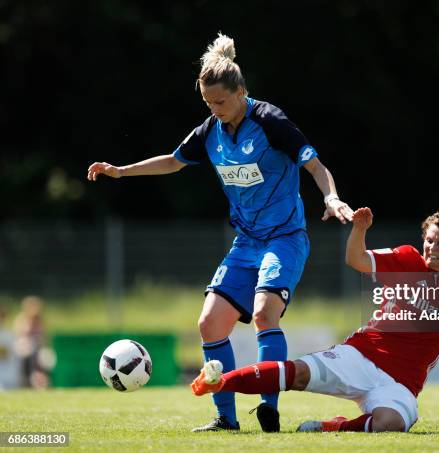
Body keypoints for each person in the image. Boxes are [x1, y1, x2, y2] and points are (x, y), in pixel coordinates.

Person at [87, 33, 353, 432]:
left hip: (284, 238)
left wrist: (331, 199)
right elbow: (174, 162)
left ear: (241, 92)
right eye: (208, 103)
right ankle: (225, 418)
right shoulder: (210, 131)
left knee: (265, 313)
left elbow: (314, 165)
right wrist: (122, 171)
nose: (215, 109)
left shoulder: (270, 121)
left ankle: (269, 407)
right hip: (245, 243)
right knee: (209, 324)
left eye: (221, 102)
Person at [190, 207, 439, 433]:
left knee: (391, 423)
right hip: (360, 355)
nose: (432, 248)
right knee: (296, 374)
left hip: (400, 384)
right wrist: (358, 230)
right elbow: (356, 261)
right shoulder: (407, 258)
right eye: (429, 239)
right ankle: (216, 383)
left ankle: (334, 427)